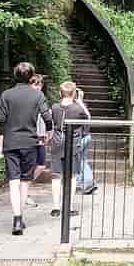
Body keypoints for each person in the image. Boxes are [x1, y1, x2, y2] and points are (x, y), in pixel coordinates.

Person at [0, 62, 53, 235]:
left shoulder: (6, 95)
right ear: (31, 76)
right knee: (24, 181)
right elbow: (47, 117)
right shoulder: (37, 95)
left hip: (11, 143)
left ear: (15, 75)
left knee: (13, 181)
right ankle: (19, 218)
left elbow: (1, 121)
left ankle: (16, 218)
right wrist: (49, 133)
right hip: (29, 142)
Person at [45, 81, 94, 217]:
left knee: (56, 176)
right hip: (73, 144)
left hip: (57, 143)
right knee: (71, 176)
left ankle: (55, 207)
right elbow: (88, 120)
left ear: (60, 93)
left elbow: (49, 121)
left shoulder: (54, 107)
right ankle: (69, 206)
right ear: (74, 93)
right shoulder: (78, 109)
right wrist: (80, 102)